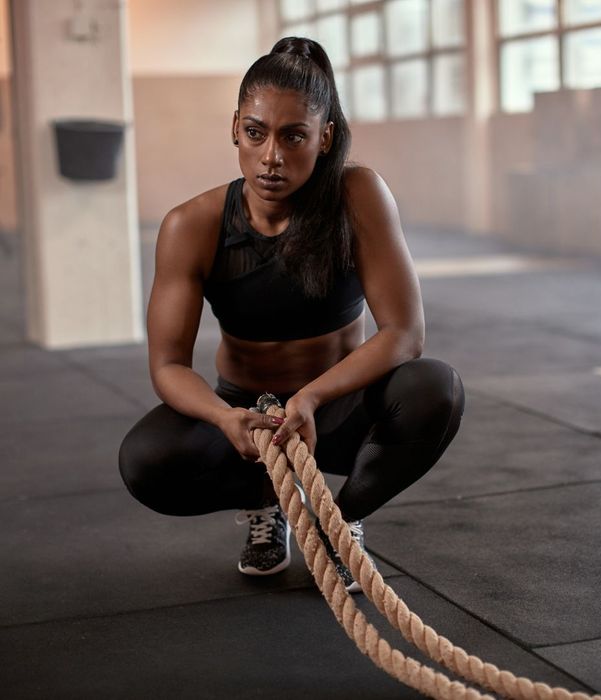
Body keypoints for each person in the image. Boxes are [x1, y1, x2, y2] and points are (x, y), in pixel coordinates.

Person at [118, 37, 465, 593]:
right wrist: (225, 418)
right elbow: (167, 367)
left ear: (324, 137)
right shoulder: (193, 224)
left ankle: (337, 522)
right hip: (247, 415)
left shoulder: (358, 195)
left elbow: (404, 333)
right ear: (235, 126)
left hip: (335, 410)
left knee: (436, 389)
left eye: (293, 136)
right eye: (256, 133)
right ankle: (267, 499)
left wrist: (311, 398)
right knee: (145, 460)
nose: (271, 156)